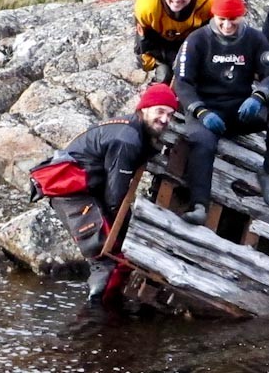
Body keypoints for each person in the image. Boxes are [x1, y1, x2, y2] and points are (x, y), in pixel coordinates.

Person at [29, 83, 178, 303]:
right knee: (106, 258)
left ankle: (109, 311)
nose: (165, 119)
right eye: (160, 111)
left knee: (117, 248)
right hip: (72, 193)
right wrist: (125, 231)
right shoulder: (127, 139)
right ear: (144, 108)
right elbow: (116, 195)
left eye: (170, 114)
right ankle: (95, 319)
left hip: (87, 188)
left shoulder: (134, 129)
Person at [174, 0, 269, 223]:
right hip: (206, 111)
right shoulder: (197, 41)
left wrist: (259, 96)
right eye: (222, 20)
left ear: (243, 15)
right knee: (202, 142)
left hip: (241, 108)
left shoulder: (254, 39)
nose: (228, 26)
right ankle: (199, 204)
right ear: (213, 16)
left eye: (233, 20)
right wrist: (200, 111)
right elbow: (183, 83)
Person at [134, 0, 214, 83]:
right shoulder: (148, 5)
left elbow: (211, 34)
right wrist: (154, 64)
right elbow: (143, 45)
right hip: (159, 40)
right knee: (164, 74)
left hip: (190, 38)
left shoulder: (207, 0)